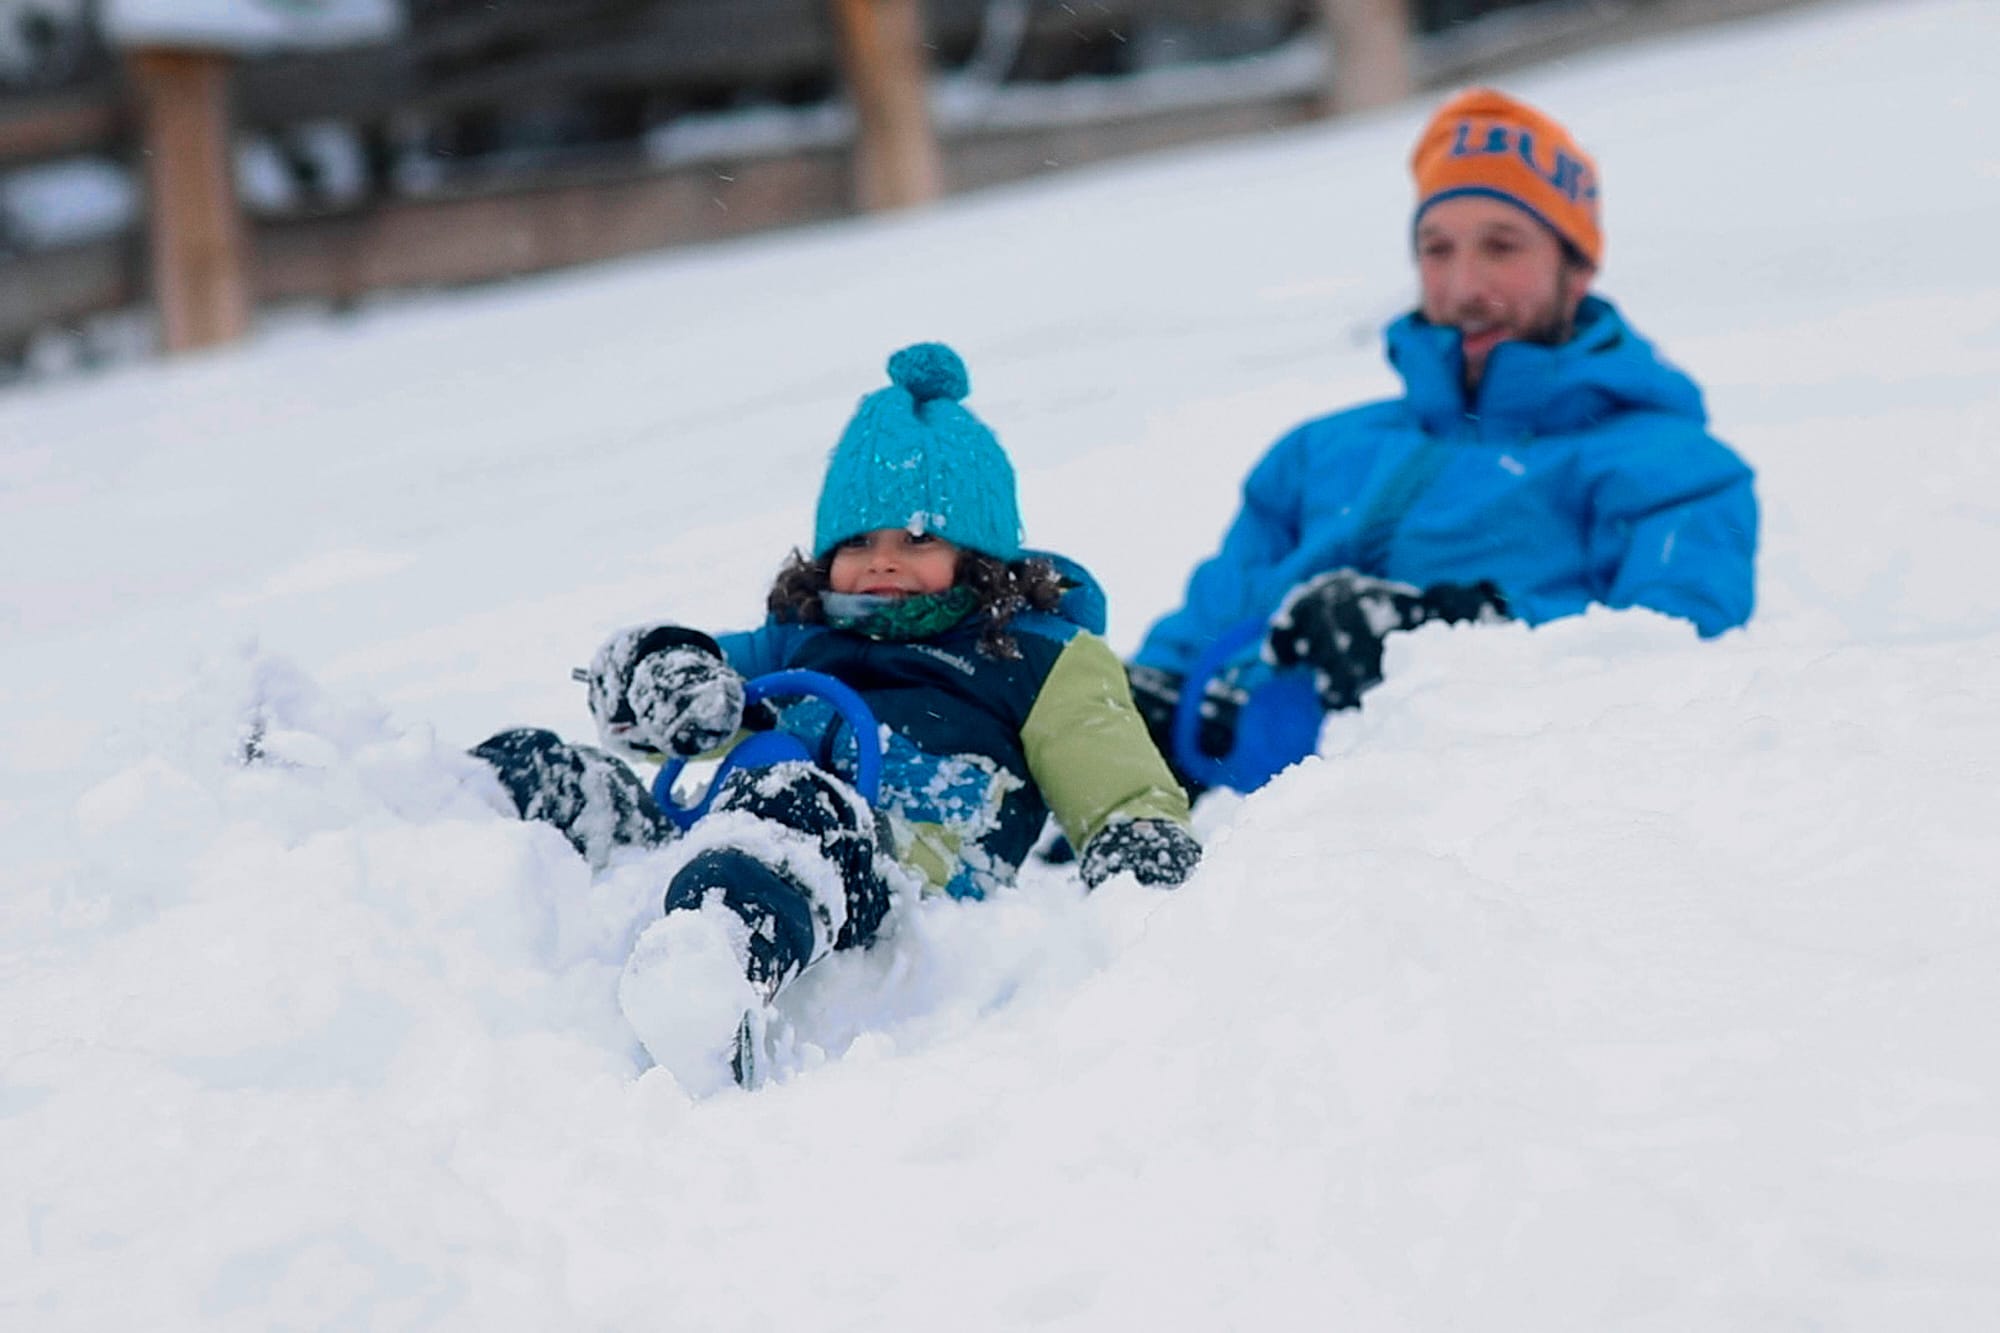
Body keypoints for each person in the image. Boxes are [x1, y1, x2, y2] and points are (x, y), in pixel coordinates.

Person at [475, 342, 1199, 1092]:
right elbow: (665, 700)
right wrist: (662, 676)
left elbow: (1113, 778)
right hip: (717, 832)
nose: (882, 561)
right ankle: (432, 876)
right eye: (857, 541)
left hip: (902, 881)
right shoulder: (800, 635)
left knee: (797, 800)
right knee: (538, 765)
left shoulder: (1037, 656)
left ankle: (705, 991)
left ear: (979, 551)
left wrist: (1141, 853)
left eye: (916, 538)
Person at [1126, 87, 1759, 791]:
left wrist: (1453, 635)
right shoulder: (1317, 451)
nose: (1464, 286)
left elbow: (1677, 650)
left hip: (1474, 816)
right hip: (1244, 817)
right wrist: (1140, 703)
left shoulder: (1674, 471)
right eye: (1438, 249)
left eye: (1502, 246)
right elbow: (1216, 606)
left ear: (1576, 269)